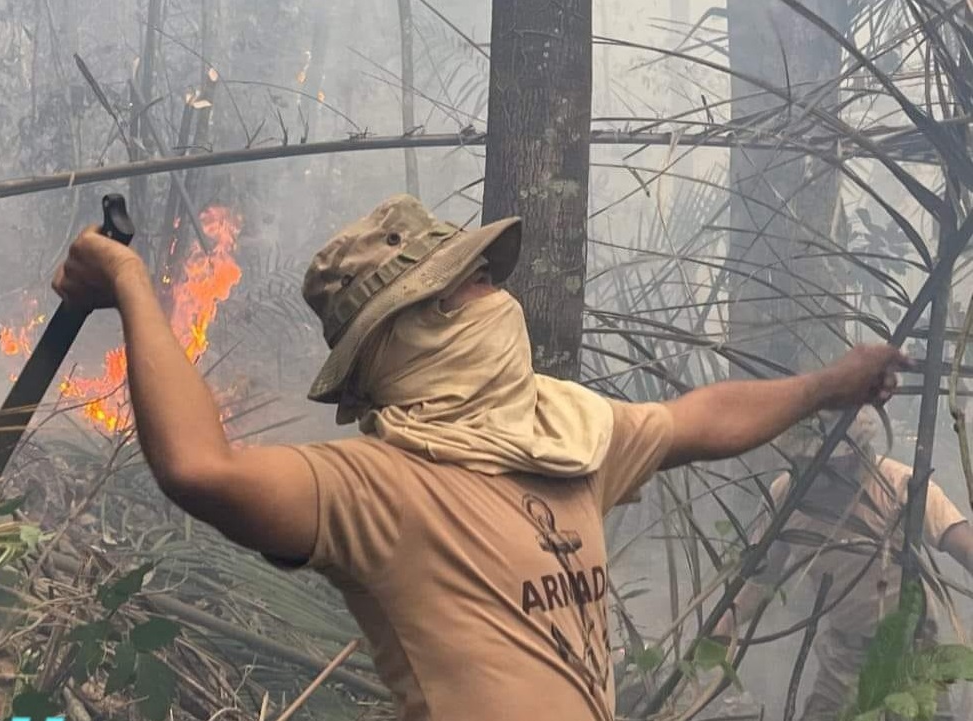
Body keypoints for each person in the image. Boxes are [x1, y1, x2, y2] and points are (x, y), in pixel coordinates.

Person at [52, 194, 907, 721]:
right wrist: (131, 281)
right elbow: (204, 470)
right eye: (470, 282)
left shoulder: (564, 438)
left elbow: (695, 418)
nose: (496, 292)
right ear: (411, 328)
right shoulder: (376, 489)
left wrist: (829, 385)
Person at [711, 408, 973, 721]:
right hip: (843, 658)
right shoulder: (787, 496)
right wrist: (725, 624)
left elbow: (966, 549)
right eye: (806, 461)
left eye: (825, 462)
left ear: (857, 453)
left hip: (911, 656)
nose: (813, 470)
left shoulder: (903, 487)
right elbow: (763, 577)